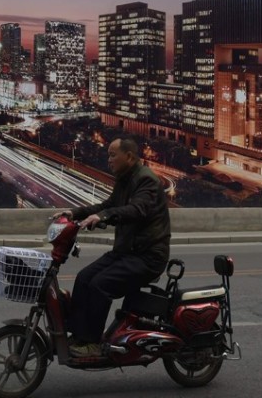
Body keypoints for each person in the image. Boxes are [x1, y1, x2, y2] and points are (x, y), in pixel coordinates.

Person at [54, 137, 171, 357]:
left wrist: (104, 216)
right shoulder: (125, 179)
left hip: (147, 256)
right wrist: (75, 213)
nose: (109, 160)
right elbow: (109, 205)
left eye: (112, 154)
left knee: (100, 284)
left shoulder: (146, 180)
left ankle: (93, 344)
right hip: (126, 252)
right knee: (84, 277)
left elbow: (137, 210)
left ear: (129, 156)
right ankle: (79, 335)